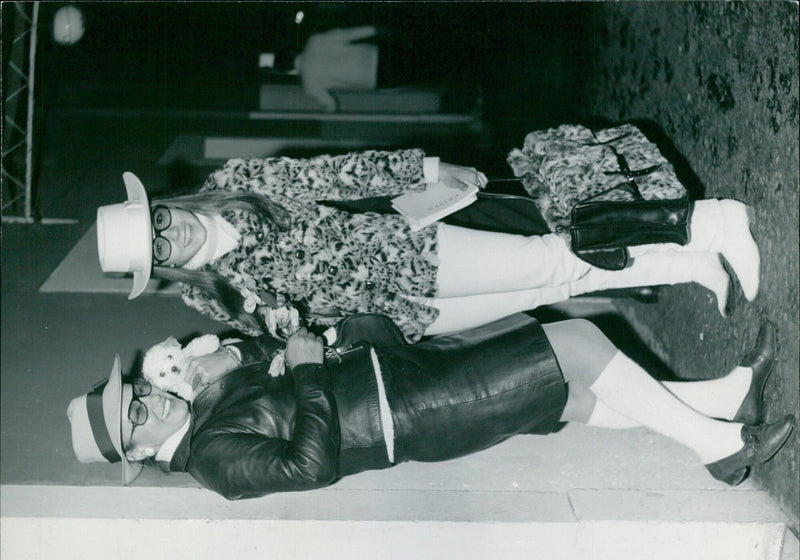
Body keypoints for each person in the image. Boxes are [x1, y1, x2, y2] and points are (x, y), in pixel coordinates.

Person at [67, 315, 793, 499]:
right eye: (137, 416)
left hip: (400, 381)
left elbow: (278, 364)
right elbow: (310, 465)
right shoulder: (214, 463)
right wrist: (312, 372)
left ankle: (719, 402)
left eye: (138, 392)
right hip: (410, 414)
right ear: (135, 456)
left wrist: (245, 351)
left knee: (567, 395)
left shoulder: (203, 408)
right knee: (571, 342)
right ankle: (720, 450)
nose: (151, 400)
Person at [95, 148, 760, 343]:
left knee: (549, 255)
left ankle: (711, 221)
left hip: (409, 250)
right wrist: (290, 327)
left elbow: (339, 174)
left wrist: (430, 171)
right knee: (546, 290)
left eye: (160, 221)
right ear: (159, 269)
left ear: (165, 206)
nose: (170, 236)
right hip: (398, 316)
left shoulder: (237, 182)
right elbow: (281, 331)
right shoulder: (206, 295)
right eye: (158, 248)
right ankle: (690, 266)